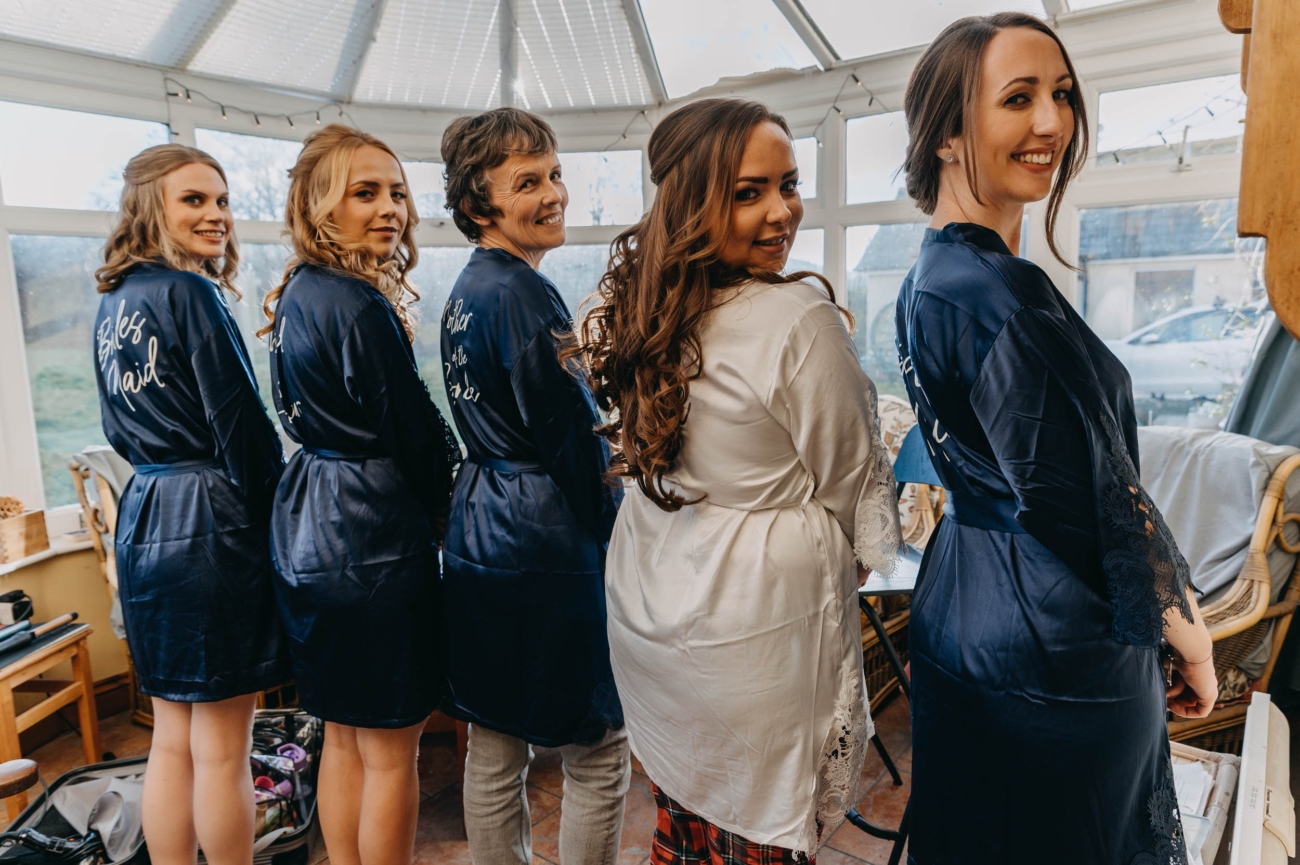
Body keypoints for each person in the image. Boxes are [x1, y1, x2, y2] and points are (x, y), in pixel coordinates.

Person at [894, 13, 1217, 863]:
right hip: (1049, 644)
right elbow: (1086, 498)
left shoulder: (929, 274)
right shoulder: (997, 293)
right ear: (949, 135)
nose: (1052, 122)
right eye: (1019, 98)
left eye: (1062, 95)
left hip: (965, 606)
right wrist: (1188, 633)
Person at [569, 97, 903, 864]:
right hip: (756, 644)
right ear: (690, 202)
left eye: (788, 184)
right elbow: (857, 487)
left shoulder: (626, 313)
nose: (783, 211)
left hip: (654, 625)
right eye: (748, 192)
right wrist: (840, 553)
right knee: (754, 843)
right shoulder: (797, 322)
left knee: (684, 833)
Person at [260, 124, 460, 865]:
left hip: (307, 532)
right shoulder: (357, 301)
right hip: (370, 539)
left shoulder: (296, 295)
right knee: (390, 754)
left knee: (340, 735)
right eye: (365, 192)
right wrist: (447, 509)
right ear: (320, 207)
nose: (390, 209)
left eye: (398, 192)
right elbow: (410, 430)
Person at [438, 107, 629, 865]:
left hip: (480, 527)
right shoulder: (522, 294)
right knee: (598, 743)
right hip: (543, 534)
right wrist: (621, 530)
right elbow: (573, 438)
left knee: (496, 734)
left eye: (553, 174)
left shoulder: (464, 292)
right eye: (527, 182)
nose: (553, 192)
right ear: (478, 206)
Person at [93, 144, 288, 865]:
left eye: (222, 200)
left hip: (143, 515)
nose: (217, 216)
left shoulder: (113, 303)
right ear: (152, 209)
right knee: (222, 747)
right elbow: (242, 425)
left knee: (170, 738)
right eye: (195, 200)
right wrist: (282, 518)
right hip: (208, 520)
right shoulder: (190, 294)